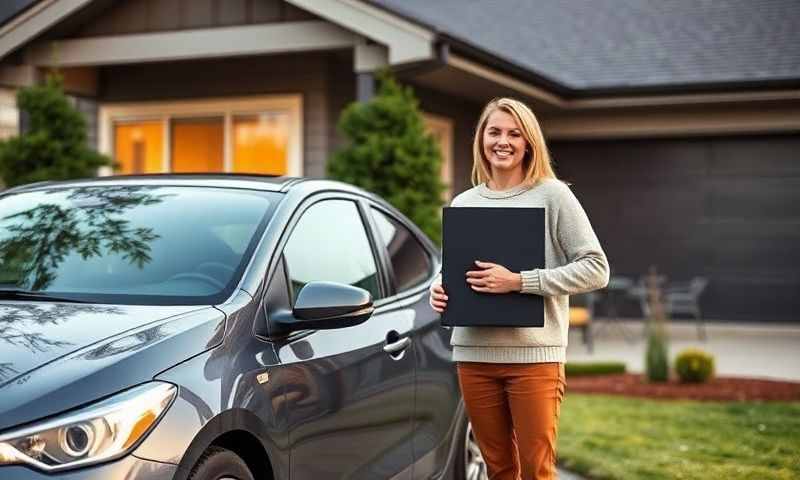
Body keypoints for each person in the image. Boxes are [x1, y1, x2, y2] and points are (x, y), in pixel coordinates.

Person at [429, 97, 609, 480]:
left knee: (536, 471)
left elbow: (596, 269)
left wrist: (519, 281)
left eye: (514, 133)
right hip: (474, 356)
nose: (503, 141)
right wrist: (438, 291)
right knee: (497, 469)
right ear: (481, 139)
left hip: (534, 358)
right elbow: (450, 271)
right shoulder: (464, 203)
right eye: (494, 132)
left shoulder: (553, 195)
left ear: (529, 142)